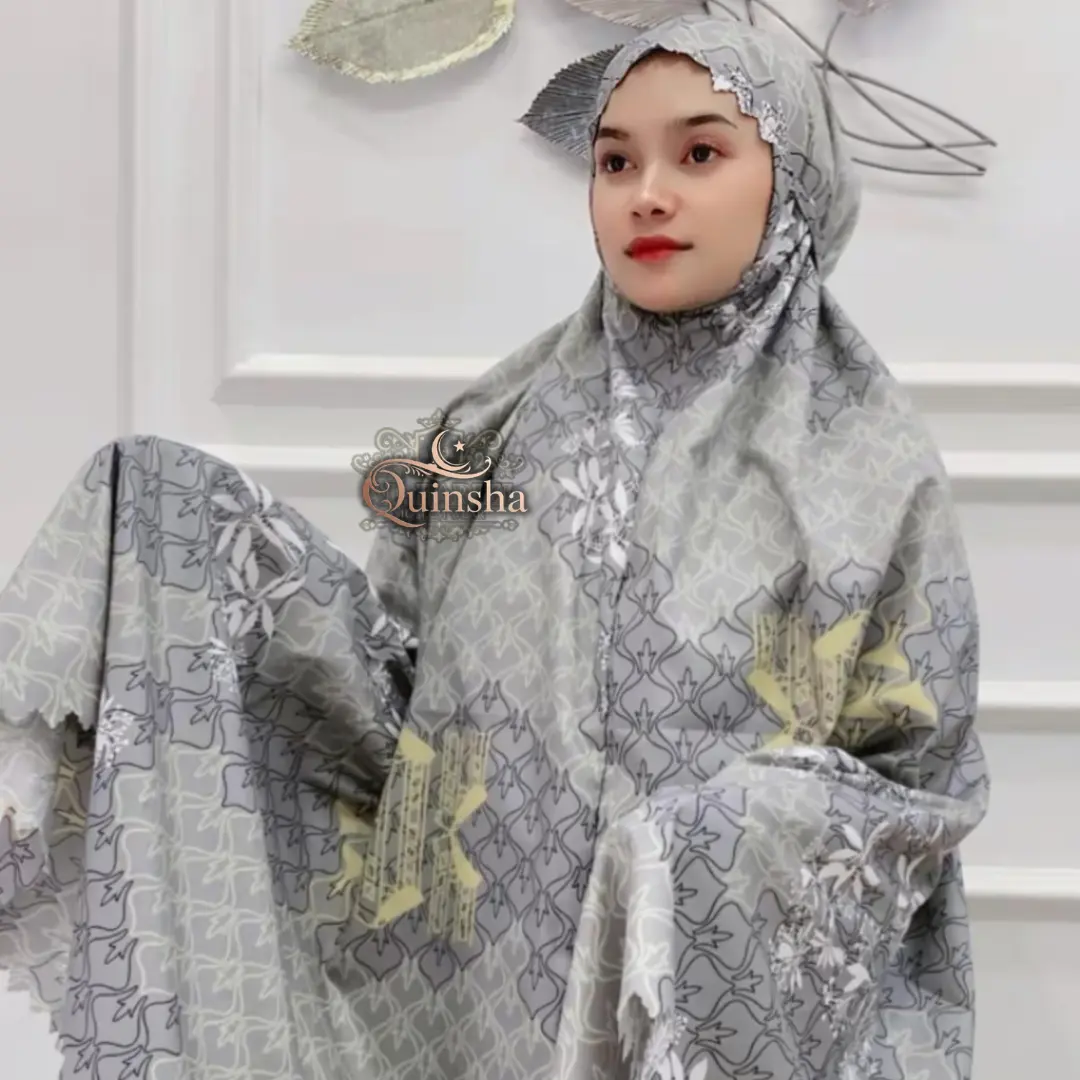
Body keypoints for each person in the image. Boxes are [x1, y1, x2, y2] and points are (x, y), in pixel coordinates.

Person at [0, 13, 988, 1080]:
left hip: (702, 1018)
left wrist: (707, 845)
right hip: (462, 998)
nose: (647, 195)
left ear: (791, 178)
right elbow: (395, 709)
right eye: (616, 161)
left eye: (700, 153)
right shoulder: (486, 431)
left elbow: (915, 780)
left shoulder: (866, 469)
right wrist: (207, 547)